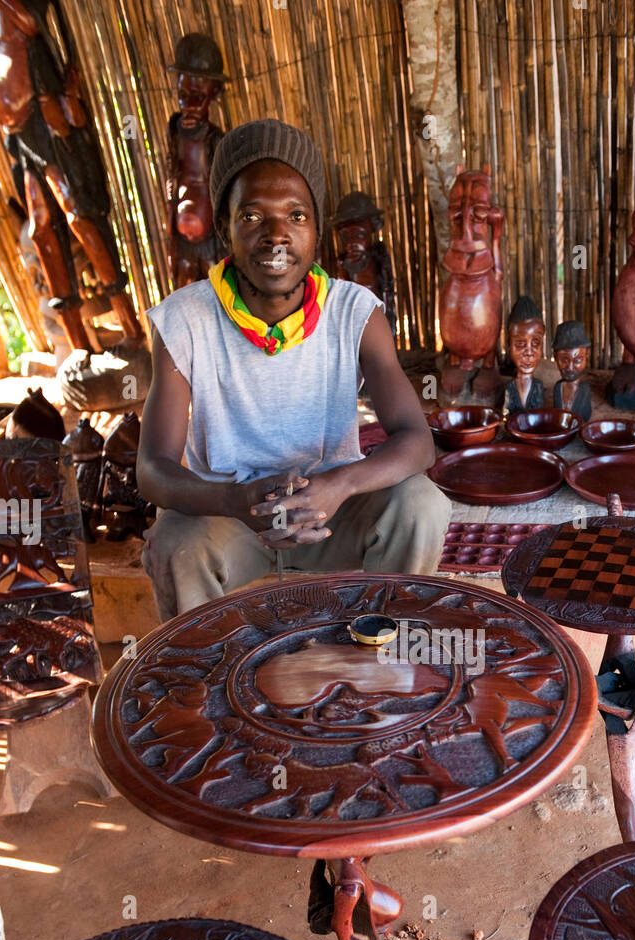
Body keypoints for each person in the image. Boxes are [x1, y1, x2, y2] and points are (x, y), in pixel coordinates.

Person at [138, 118, 449, 619]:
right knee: (177, 541)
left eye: (297, 215)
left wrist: (342, 484)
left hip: (333, 511)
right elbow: (153, 470)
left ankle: (385, 650)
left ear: (316, 228)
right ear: (225, 228)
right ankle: (200, 676)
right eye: (253, 216)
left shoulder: (355, 312)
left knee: (420, 505)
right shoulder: (185, 320)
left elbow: (417, 440)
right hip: (231, 518)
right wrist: (237, 500)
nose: (276, 235)